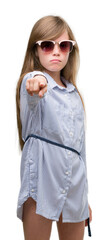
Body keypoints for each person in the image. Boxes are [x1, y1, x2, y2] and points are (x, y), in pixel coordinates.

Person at [16, 15, 92, 240]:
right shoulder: (32, 82)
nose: (56, 51)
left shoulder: (75, 94)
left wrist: (85, 198)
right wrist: (36, 81)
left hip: (76, 187)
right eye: (47, 45)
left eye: (64, 45)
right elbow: (33, 85)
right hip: (41, 181)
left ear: (71, 50)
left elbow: (81, 151)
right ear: (36, 50)